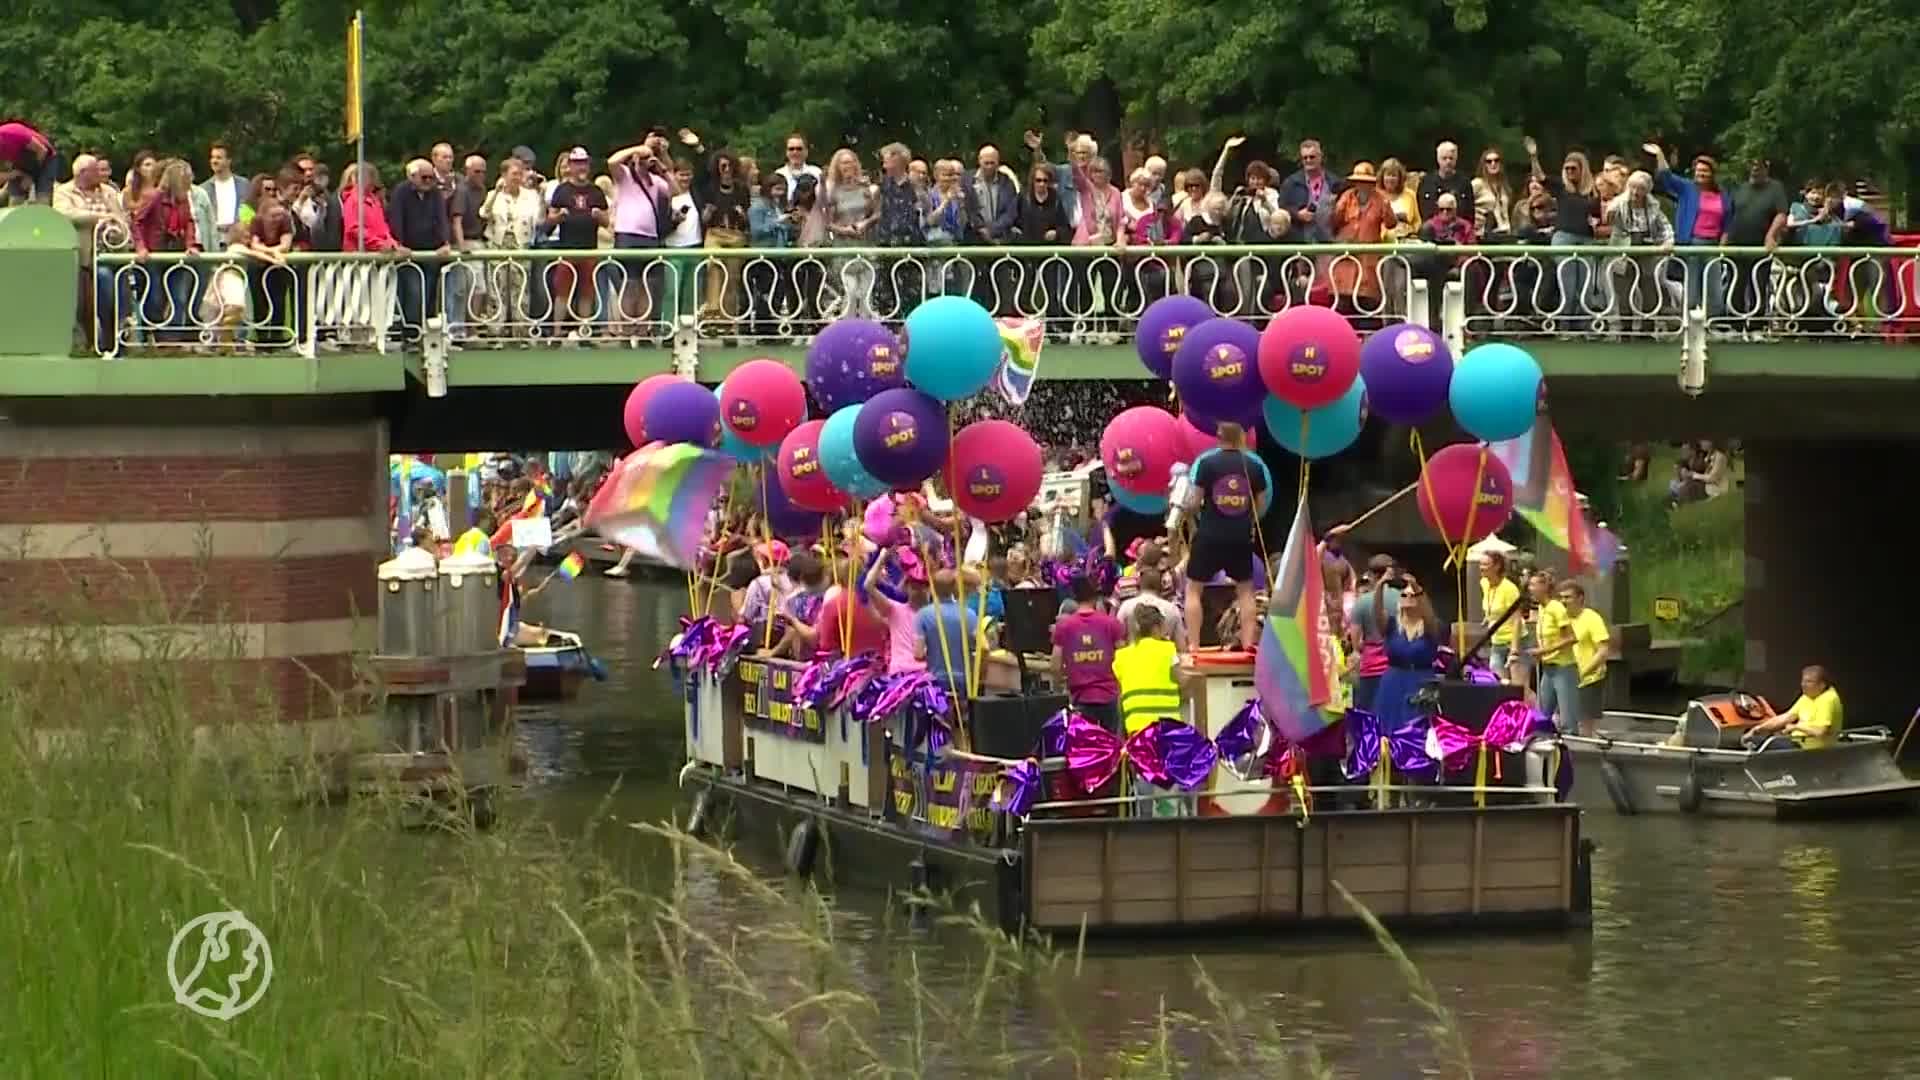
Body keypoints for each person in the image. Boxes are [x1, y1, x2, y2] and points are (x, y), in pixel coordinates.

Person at [1181, 423, 1269, 653]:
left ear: (1218, 438)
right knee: (1246, 590)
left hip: (1210, 533)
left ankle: (1194, 645)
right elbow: (1259, 506)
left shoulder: (1207, 464)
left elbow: (1194, 501)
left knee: (1193, 589)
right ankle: (1249, 643)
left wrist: (1189, 512)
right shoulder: (1253, 466)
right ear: (1241, 437)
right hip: (1239, 536)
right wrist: (1246, 520)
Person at [1370, 573, 1446, 735]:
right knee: (1389, 728)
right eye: (1404, 595)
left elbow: (1429, 615)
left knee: (1418, 728)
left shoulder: (1430, 626)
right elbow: (1377, 613)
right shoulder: (1392, 624)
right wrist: (1380, 586)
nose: (1408, 598)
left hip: (1421, 680)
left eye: (1413, 595)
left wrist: (1417, 587)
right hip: (1393, 681)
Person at [1051, 573, 1128, 733]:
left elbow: (1055, 663)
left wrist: (1058, 686)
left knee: (1084, 749)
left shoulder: (1064, 627)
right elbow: (1123, 657)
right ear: (1095, 598)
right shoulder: (1111, 624)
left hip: (1080, 697)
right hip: (1109, 696)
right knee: (1111, 745)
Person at [916, 568, 984, 702]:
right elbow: (983, 647)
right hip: (963, 681)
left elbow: (918, 654)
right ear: (955, 588)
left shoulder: (923, 614)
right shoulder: (969, 614)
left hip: (935, 679)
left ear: (932, 588)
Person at [1746, 665, 1844, 750]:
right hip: (1798, 742)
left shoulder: (1828, 699)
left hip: (1811, 748)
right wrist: (1758, 728)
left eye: (1809, 682)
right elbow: (1786, 717)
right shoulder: (1808, 696)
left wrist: (1795, 727)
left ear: (1822, 685)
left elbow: (1820, 732)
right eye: (1803, 681)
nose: (1803, 685)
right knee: (1755, 738)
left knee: (1758, 743)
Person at [1560, 582, 1612, 735]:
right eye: (1561, 597)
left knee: (1586, 726)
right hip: (1566, 677)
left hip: (1589, 679)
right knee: (1565, 722)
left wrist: (1584, 672)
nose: (1563, 601)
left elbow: (1603, 650)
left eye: (1568, 597)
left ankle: (1588, 752)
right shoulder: (1561, 619)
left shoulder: (1592, 618)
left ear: (1580, 598)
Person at [1350, 554, 1400, 711]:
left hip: (1370, 669)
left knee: (1369, 718)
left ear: (1371, 575)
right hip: (1396, 667)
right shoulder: (1402, 598)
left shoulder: (1361, 602)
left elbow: (1356, 644)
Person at [1530, 571, 1577, 731]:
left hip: (1563, 667)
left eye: (1533, 585)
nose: (1530, 589)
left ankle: (1573, 747)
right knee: (1543, 713)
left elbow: (1571, 638)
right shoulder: (1542, 609)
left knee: (1567, 718)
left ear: (1544, 587)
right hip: (1548, 667)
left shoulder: (1556, 608)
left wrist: (1544, 650)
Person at [1478, 552, 1522, 678]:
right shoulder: (1484, 583)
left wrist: (1514, 649)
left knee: (1519, 687)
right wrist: (1488, 618)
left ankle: (1533, 699)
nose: (1481, 567)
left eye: (1485, 564)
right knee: (1499, 682)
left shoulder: (1509, 589)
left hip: (1514, 642)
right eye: (1480, 564)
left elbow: (1517, 619)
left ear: (1497, 566)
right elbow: (1492, 604)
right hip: (1497, 642)